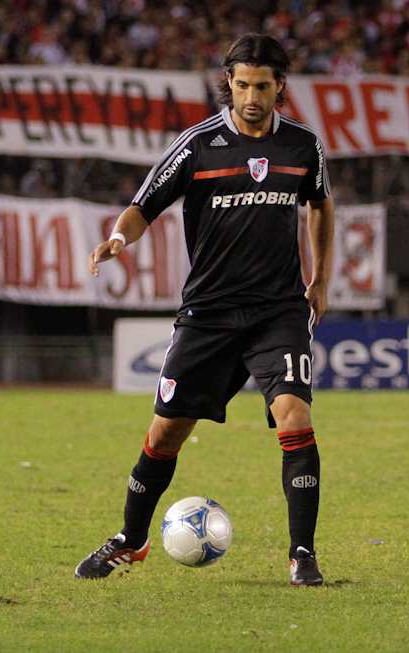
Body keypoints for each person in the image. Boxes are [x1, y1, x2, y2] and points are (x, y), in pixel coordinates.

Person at [76, 34, 335, 586]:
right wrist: (118, 241)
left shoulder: (303, 147)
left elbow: (319, 205)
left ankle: (302, 554)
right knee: (166, 432)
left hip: (278, 310)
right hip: (209, 313)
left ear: (279, 87)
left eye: (262, 86)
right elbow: (143, 206)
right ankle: (132, 539)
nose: (251, 96)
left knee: (295, 417)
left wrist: (320, 279)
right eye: (242, 84)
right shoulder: (197, 145)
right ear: (229, 83)